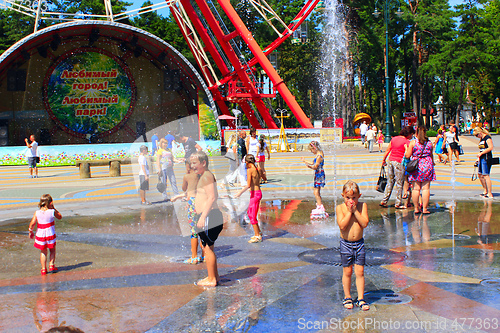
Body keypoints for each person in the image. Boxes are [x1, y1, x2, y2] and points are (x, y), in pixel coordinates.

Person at [336, 181, 370, 311]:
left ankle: (361, 298)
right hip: (346, 244)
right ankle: (347, 296)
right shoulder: (340, 208)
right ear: (343, 196)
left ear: (359, 196)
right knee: (347, 271)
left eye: (354, 198)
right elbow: (342, 225)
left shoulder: (362, 206)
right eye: (348, 198)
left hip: (359, 244)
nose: (351, 201)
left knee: (360, 271)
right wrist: (350, 212)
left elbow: (364, 223)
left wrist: (355, 211)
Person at [191, 151, 223, 286]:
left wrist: (203, 216)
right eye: (191, 163)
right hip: (208, 215)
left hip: (209, 215)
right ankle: (213, 276)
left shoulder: (206, 177)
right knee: (207, 247)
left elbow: (212, 197)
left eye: (195, 163)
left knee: (207, 248)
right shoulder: (205, 176)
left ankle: (212, 279)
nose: (192, 166)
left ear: (203, 163)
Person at [171, 160, 203, 264]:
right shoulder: (202, 174)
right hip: (202, 202)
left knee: (194, 231)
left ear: (188, 166)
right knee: (202, 230)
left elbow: (185, 189)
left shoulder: (187, 176)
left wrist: (178, 196)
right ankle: (205, 255)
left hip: (193, 203)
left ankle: (194, 257)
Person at [28, 194, 62, 275]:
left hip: (40, 234)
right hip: (50, 234)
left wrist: (30, 231)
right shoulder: (52, 212)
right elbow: (60, 217)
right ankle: (51, 265)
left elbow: (32, 223)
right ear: (50, 203)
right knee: (52, 250)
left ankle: (43, 269)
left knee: (43, 252)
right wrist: (53, 208)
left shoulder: (37, 212)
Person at [380, 126, 413, 209]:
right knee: (399, 183)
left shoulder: (394, 139)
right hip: (399, 162)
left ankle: (384, 201)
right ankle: (398, 203)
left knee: (390, 182)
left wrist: (383, 160)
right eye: (412, 134)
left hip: (390, 161)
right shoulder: (407, 142)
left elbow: (388, 150)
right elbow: (408, 154)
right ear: (409, 134)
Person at [405, 126, 436, 214]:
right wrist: (432, 163)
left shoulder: (413, 142)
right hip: (427, 165)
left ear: (416, 133)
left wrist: (406, 149)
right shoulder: (429, 143)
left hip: (416, 166)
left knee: (416, 189)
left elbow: (407, 155)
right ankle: (425, 209)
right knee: (426, 189)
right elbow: (431, 154)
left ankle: (416, 208)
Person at [234, 154, 263, 243]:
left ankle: (257, 236)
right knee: (250, 213)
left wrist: (239, 193)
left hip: (255, 194)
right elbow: (264, 177)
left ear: (247, 162)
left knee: (252, 215)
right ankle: (259, 232)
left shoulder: (250, 170)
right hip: (256, 193)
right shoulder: (258, 168)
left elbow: (248, 185)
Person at [301, 141, 326, 216]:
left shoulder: (319, 157)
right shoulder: (319, 155)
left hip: (319, 174)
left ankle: (320, 207)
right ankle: (319, 206)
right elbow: (313, 163)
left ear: (314, 148)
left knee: (316, 192)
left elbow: (315, 167)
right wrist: (305, 161)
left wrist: (309, 167)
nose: (311, 152)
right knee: (316, 191)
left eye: (311, 150)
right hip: (319, 174)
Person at [473, 127, 494, 199]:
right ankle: (485, 190)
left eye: (477, 135)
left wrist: (482, 154)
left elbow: (490, 147)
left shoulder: (487, 138)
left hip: (486, 158)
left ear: (480, 133)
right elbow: (481, 149)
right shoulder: (482, 139)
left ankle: (490, 193)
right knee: (480, 174)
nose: (476, 137)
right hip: (481, 158)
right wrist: (478, 158)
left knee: (486, 175)